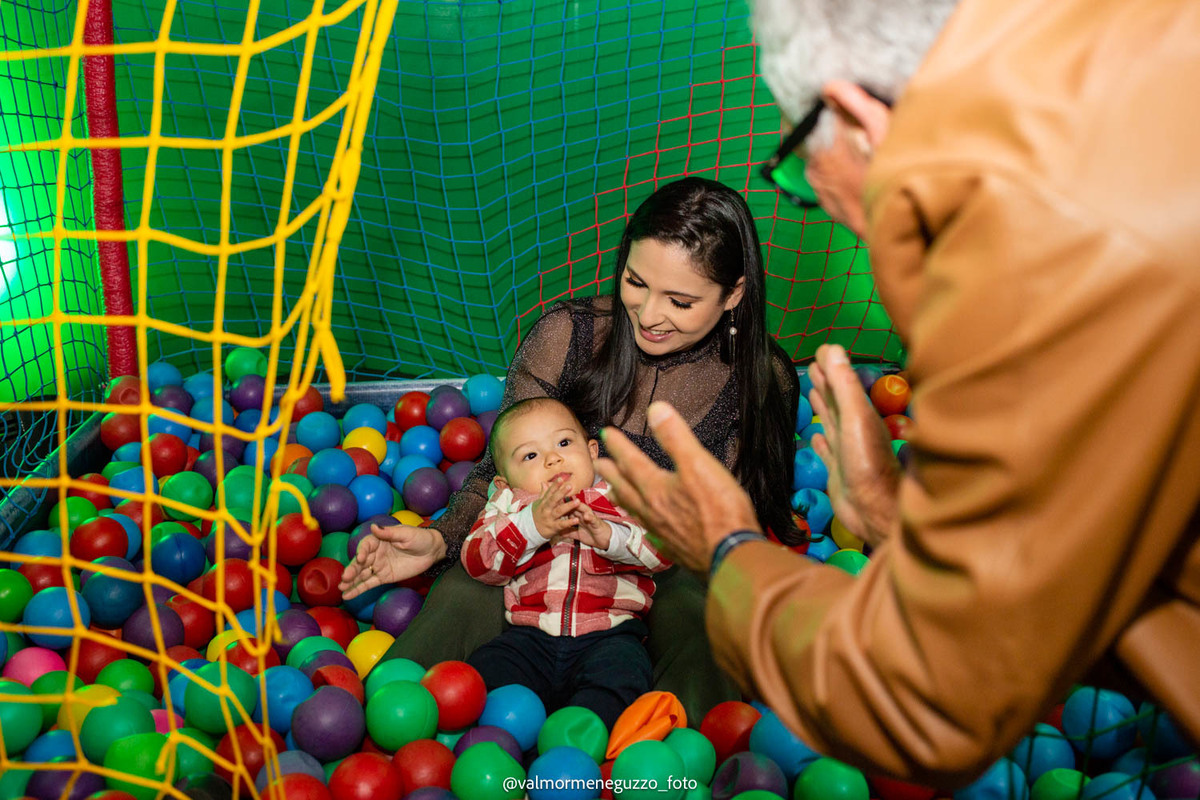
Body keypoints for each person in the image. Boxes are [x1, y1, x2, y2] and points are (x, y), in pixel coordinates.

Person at [595, 0, 1200, 785]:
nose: (826, 203)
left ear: (856, 118)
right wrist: (901, 518)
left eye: (801, 164)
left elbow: (930, 695)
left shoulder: (1026, 268)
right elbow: (1093, 544)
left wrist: (728, 548)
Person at [341, 176, 802, 723]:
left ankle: (665, 756)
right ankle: (374, 729)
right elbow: (499, 472)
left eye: (680, 301)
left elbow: (739, 524)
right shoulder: (568, 336)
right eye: (636, 282)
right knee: (465, 591)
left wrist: (637, 541)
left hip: (665, 559)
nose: (649, 315)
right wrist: (442, 539)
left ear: (734, 294)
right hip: (538, 544)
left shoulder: (761, 379)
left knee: (706, 619)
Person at [461, 397, 669, 729]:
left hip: (610, 635)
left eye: (564, 442)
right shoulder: (510, 504)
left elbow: (664, 550)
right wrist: (531, 526)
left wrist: (610, 537)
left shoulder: (621, 496)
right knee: (486, 669)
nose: (553, 458)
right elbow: (478, 561)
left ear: (592, 452)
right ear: (504, 482)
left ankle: (582, 739)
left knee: (623, 676)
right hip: (530, 637)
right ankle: (509, 741)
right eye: (530, 455)